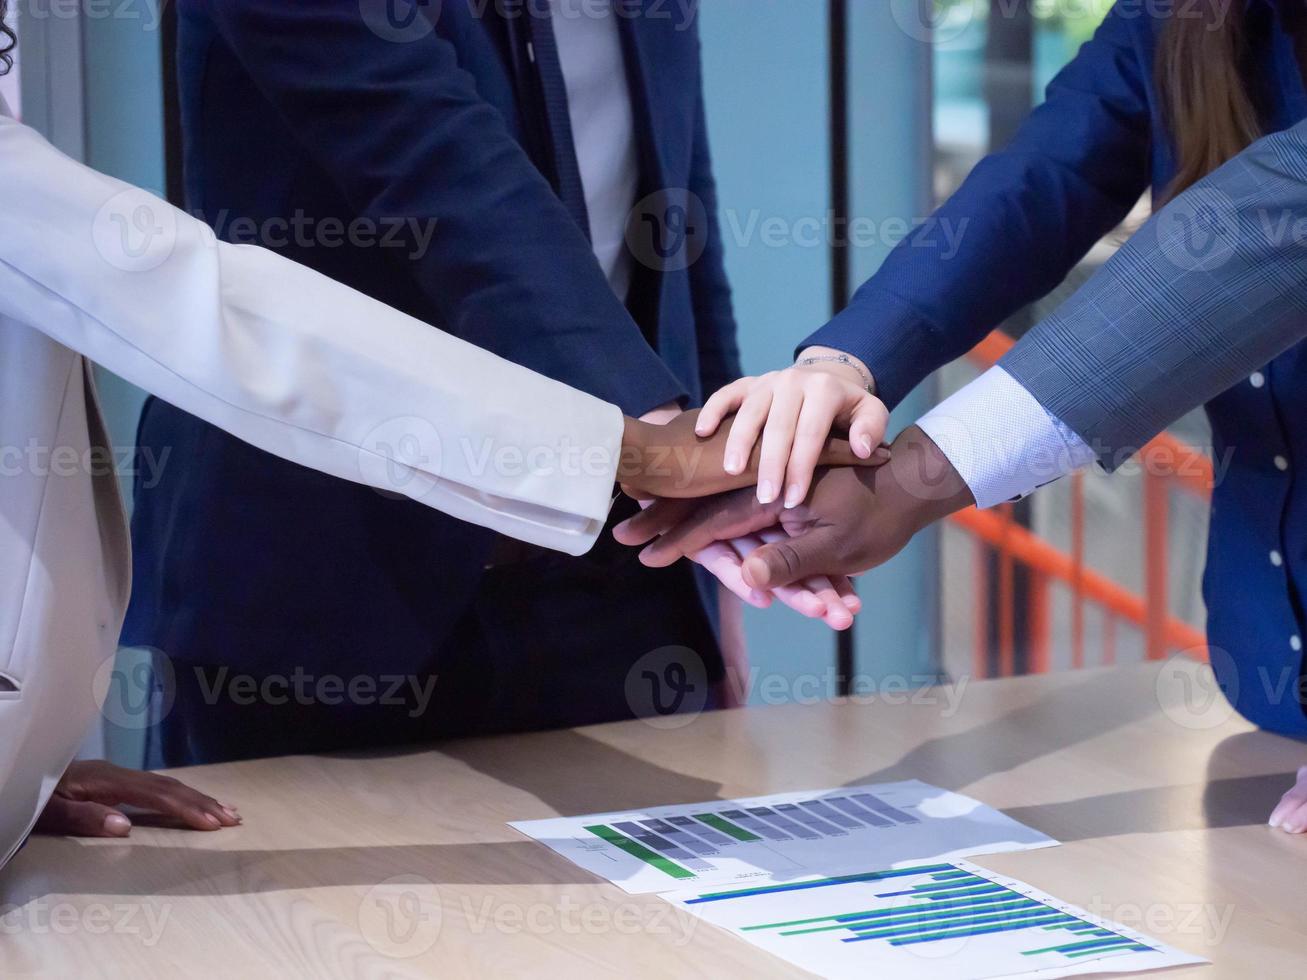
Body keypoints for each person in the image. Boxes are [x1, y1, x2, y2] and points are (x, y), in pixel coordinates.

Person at [0, 37, 872, 863]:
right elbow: (420, 160)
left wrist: (702, 458)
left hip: (618, 557)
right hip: (326, 575)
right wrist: (644, 446)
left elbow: (678, 209)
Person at [617, 99, 1307, 832]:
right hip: (1262, 687)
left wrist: (904, 482)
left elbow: (1265, 219)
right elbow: (1046, 177)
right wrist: (841, 368)